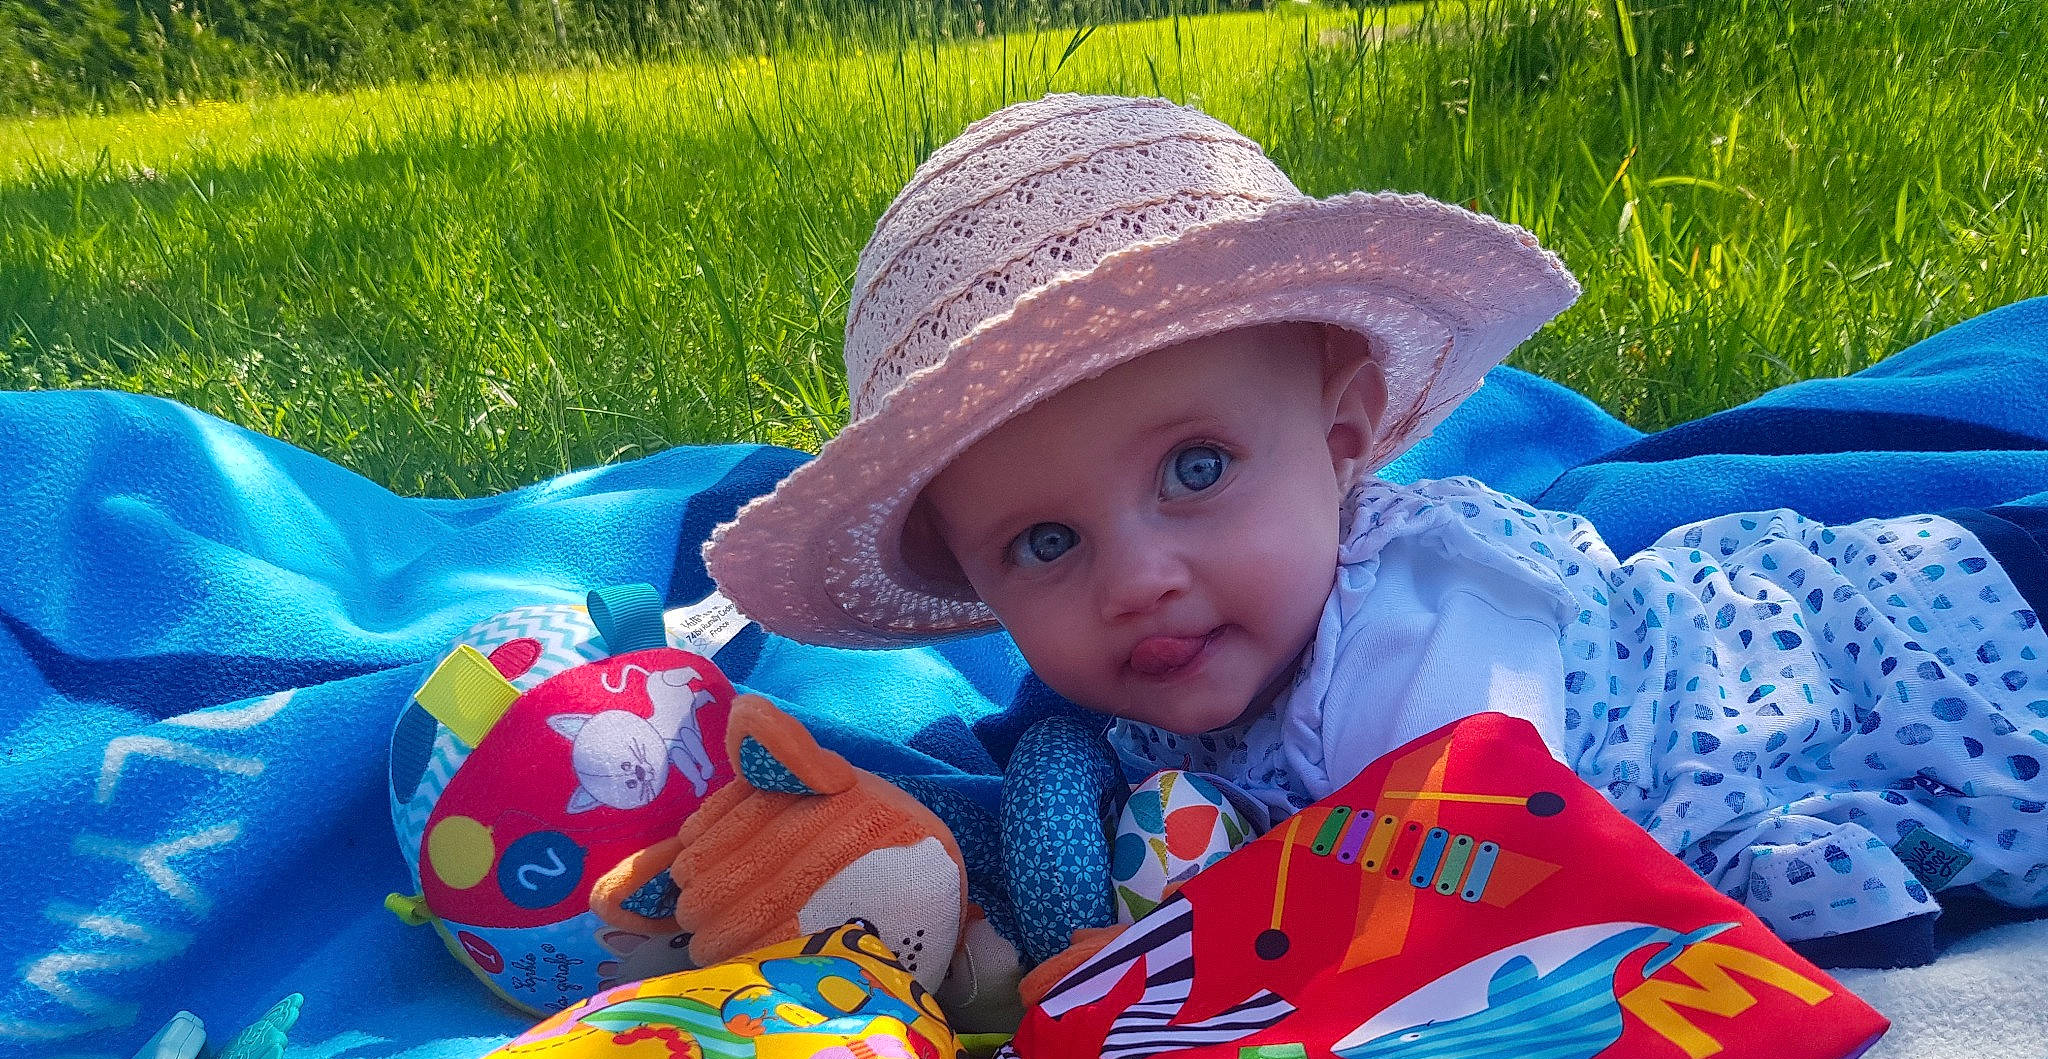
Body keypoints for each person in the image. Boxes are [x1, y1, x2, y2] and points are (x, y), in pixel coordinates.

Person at [705, 92, 2048, 969]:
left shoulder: (1416, 615)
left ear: (1344, 442)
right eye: (1045, 547)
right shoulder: (1145, 734)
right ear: (976, 583)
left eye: (1196, 467)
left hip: (1908, 635)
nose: (1140, 577)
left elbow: (1479, 881)